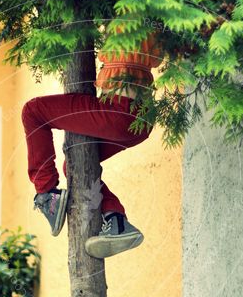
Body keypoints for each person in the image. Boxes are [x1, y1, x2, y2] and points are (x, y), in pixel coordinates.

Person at [21, 34, 162, 258]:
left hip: (120, 112)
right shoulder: (154, 27)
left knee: (33, 111)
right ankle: (116, 220)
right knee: (74, 167)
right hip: (141, 121)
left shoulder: (130, 16)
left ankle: (46, 193)